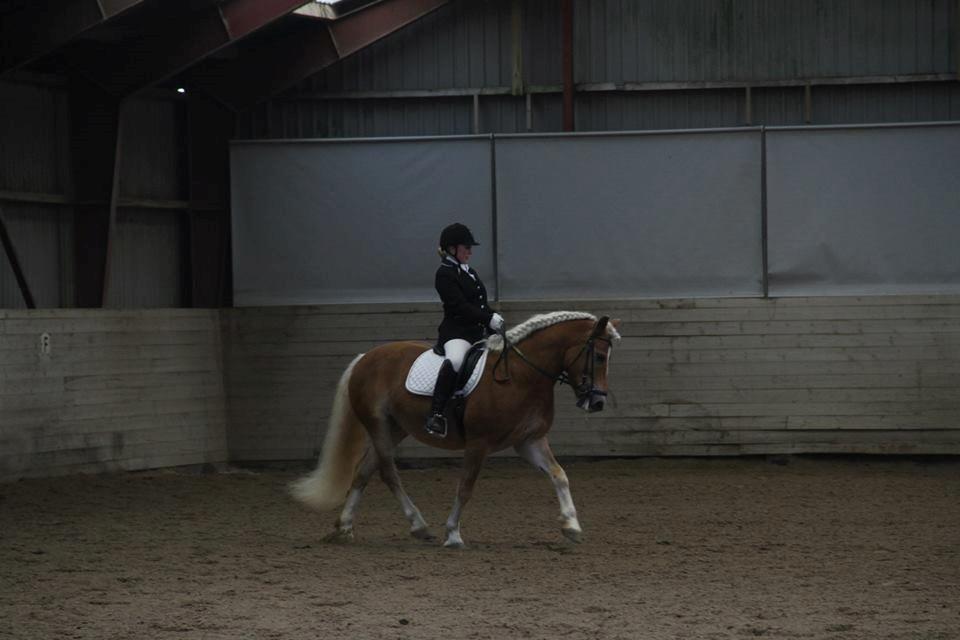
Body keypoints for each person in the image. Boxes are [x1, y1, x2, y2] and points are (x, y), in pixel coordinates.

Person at [425, 223, 505, 437]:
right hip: (456, 333)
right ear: (452, 249)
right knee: (457, 361)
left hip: (477, 333)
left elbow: (479, 304)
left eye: (470, 248)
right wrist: (488, 318)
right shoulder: (444, 274)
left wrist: (493, 322)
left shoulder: (469, 271)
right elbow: (459, 306)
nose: (470, 251)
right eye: (466, 247)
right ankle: (436, 414)